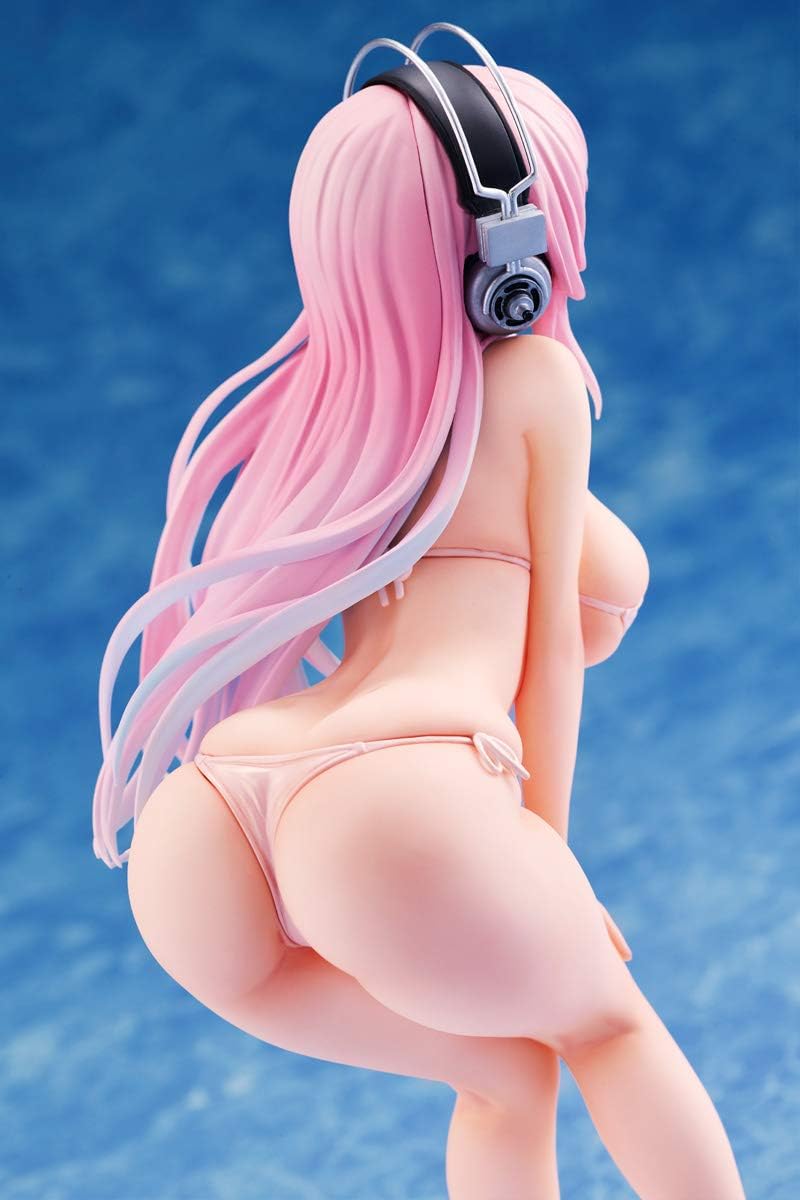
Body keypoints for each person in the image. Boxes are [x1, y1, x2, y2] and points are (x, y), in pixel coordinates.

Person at [94, 25, 747, 1199]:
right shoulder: (534, 382)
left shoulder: (324, 411)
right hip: (400, 804)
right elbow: (551, 658)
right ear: (512, 245)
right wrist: (543, 853)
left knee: (501, 1073)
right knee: (609, 1028)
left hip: (210, 820)